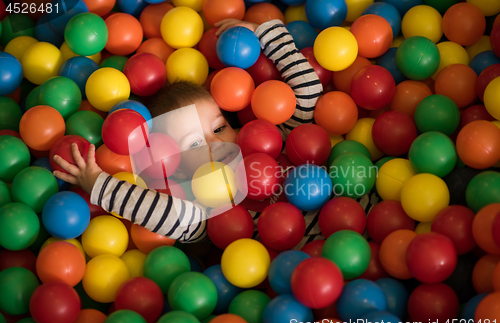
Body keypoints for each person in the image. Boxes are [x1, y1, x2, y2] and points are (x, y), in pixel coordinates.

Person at [53, 18, 379, 249]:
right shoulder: (207, 210)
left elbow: (307, 92)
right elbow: (168, 214)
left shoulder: (281, 140)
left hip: (377, 213)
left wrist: (265, 36)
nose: (215, 142)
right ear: (176, 167)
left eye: (219, 127)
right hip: (320, 268)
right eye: (195, 143)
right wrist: (96, 183)